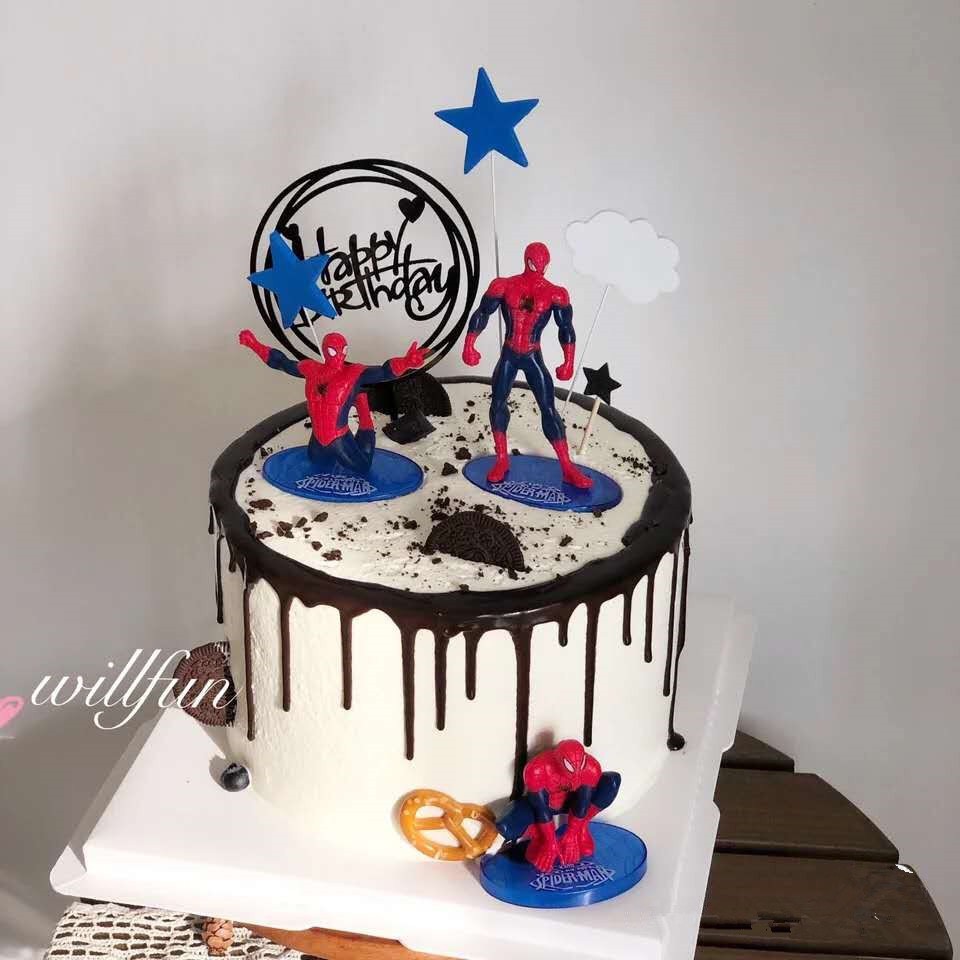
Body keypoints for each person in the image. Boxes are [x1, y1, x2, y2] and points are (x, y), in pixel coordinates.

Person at [462, 242, 592, 488]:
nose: (540, 268)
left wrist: (569, 361)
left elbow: (566, 328)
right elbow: (482, 313)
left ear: (547, 264)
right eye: (536, 262)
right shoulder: (503, 285)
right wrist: (469, 344)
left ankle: (567, 467)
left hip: (533, 355)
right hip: (509, 353)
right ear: (528, 260)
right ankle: (502, 459)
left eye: (544, 264)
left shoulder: (556, 293)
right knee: (498, 402)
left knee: (548, 408)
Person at [239, 329, 427, 474]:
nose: (338, 355)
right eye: (333, 350)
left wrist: (406, 362)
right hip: (317, 438)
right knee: (318, 464)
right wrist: (255, 345)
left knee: (362, 467)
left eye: (342, 350)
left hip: (338, 438)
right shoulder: (310, 369)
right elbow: (282, 363)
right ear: (324, 350)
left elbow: (383, 372)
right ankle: (358, 403)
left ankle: (363, 409)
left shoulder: (353, 373)